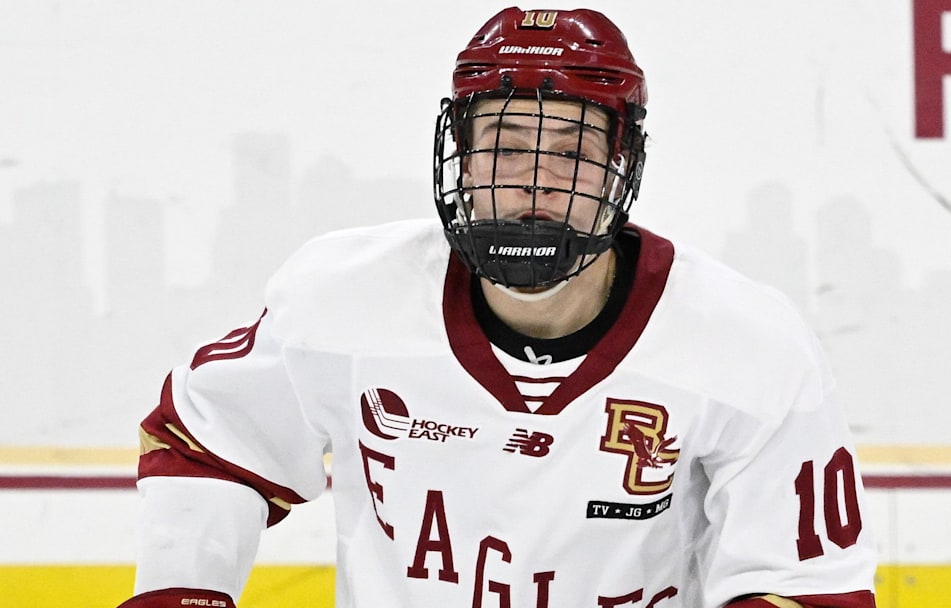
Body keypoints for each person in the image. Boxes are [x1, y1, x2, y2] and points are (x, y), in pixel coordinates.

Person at [118, 7, 878, 608]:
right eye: (506, 145)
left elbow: (804, 584)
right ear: (463, 156)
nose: (535, 179)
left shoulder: (744, 342)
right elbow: (209, 444)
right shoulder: (343, 299)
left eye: (573, 150)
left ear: (622, 165)